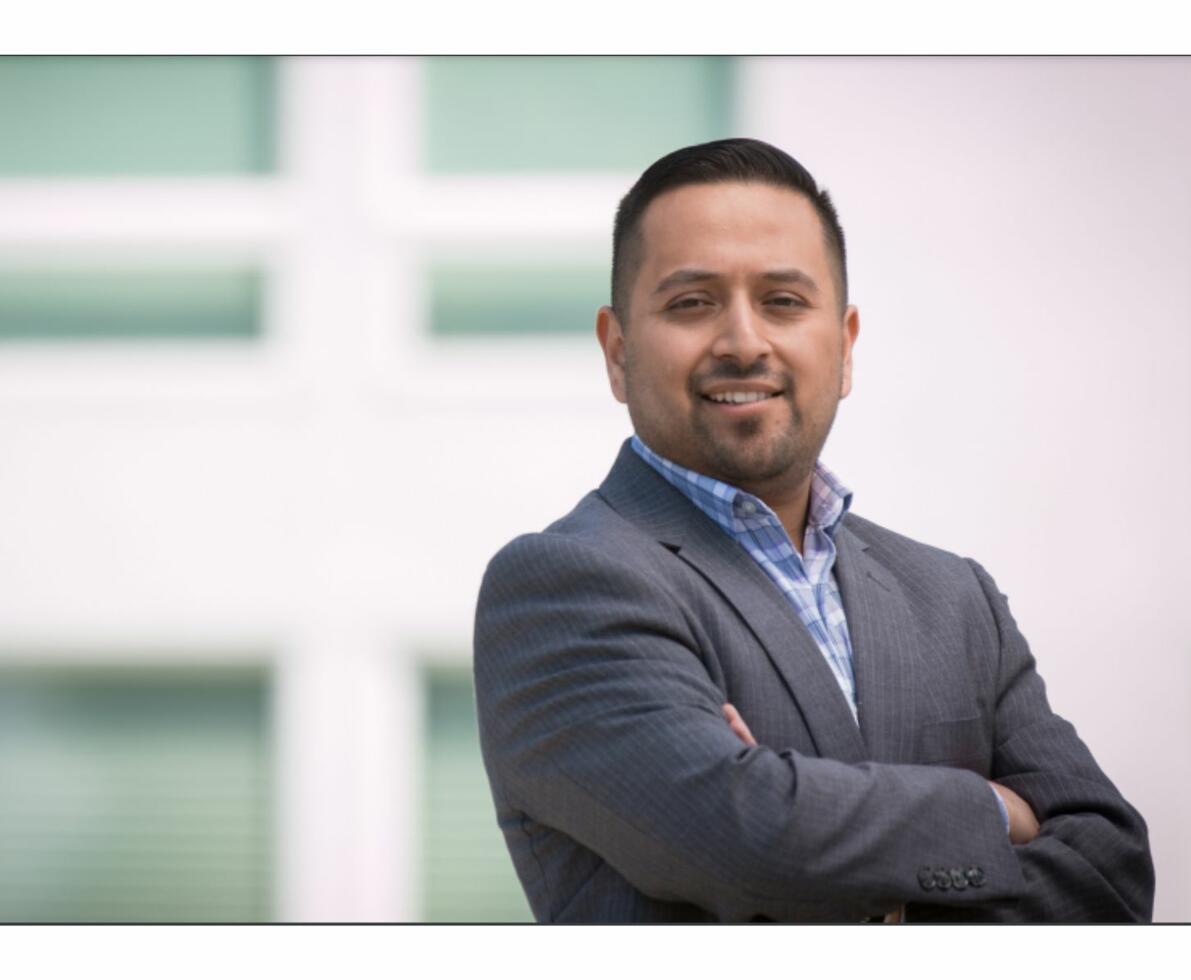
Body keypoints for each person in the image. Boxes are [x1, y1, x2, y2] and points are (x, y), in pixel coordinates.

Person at [472, 138, 1154, 923]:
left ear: (844, 346)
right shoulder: (563, 585)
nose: (742, 341)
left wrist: (850, 868)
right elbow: (746, 839)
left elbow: (1113, 872)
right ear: (618, 352)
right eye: (691, 302)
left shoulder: (952, 597)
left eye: (783, 301)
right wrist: (991, 809)